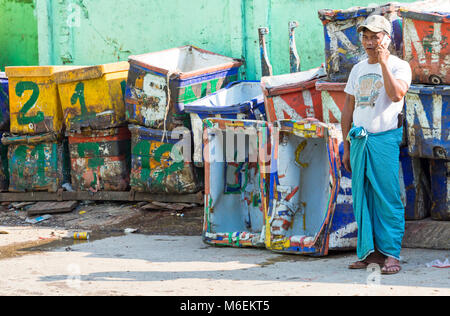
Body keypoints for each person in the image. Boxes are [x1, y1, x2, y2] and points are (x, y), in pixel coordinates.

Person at [341, 15, 412, 275]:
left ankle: (392, 254)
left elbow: (396, 95)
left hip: (384, 140)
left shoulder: (399, 66)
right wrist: (347, 146)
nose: (370, 42)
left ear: (387, 39)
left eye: (375, 36)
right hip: (359, 141)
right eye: (366, 36)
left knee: (387, 198)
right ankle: (369, 254)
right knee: (362, 198)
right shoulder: (357, 69)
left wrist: (382, 63)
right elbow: (348, 108)